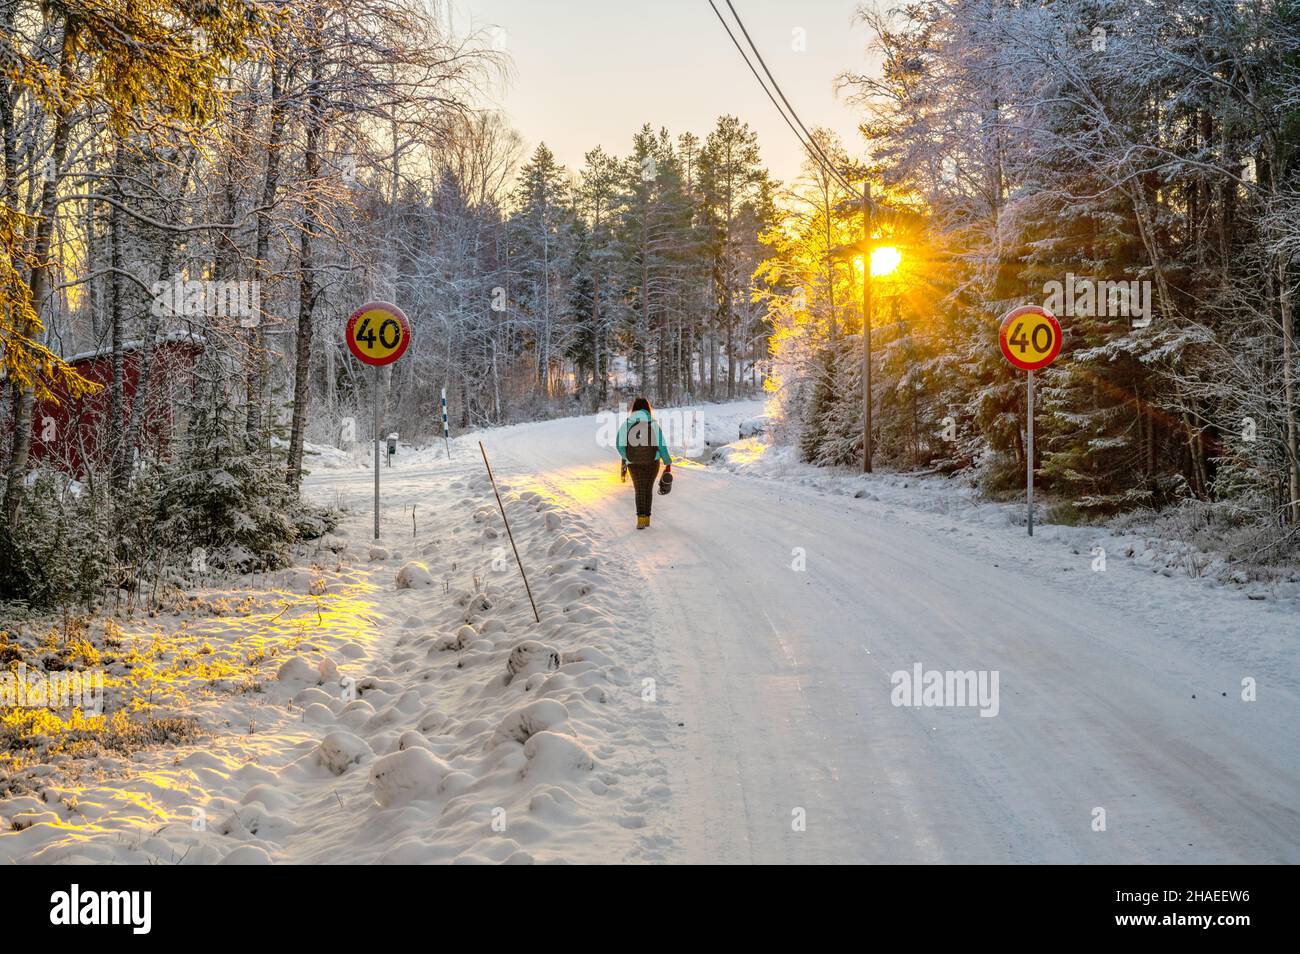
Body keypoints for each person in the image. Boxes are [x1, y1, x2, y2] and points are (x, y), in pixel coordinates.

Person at [616, 397, 671, 529]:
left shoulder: (627, 424)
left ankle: (640, 519)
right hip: (652, 461)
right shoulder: (652, 423)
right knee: (648, 489)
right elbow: (661, 445)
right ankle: (647, 519)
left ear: (633, 409)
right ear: (648, 409)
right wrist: (667, 462)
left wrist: (628, 456)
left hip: (633, 463)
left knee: (639, 489)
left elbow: (619, 445)